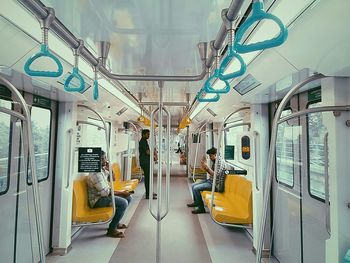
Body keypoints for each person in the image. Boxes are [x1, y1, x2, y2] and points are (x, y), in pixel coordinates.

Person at [87, 150, 131, 238]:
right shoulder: (95, 174)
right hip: (97, 200)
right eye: (102, 159)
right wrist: (121, 193)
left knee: (129, 198)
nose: (105, 161)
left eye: (105, 158)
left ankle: (116, 222)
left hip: (104, 196)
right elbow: (105, 193)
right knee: (123, 203)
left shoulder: (101, 170)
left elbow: (113, 179)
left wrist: (109, 170)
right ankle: (111, 229)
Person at [187, 147, 224, 214]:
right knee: (193, 185)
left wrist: (207, 167)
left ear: (215, 154)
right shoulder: (215, 161)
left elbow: (216, 175)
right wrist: (205, 168)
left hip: (215, 184)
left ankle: (201, 208)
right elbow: (212, 174)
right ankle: (196, 202)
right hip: (210, 180)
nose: (210, 158)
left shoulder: (219, 162)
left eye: (211, 156)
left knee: (196, 188)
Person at [139, 129, 157, 199]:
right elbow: (147, 152)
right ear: (143, 134)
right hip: (145, 162)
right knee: (148, 179)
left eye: (149, 134)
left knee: (149, 178)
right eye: (147, 134)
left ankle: (149, 192)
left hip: (146, 161)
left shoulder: (144, 141)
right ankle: (148, 195)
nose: (149, 135)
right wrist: (154, 156)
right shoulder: (143, 142)